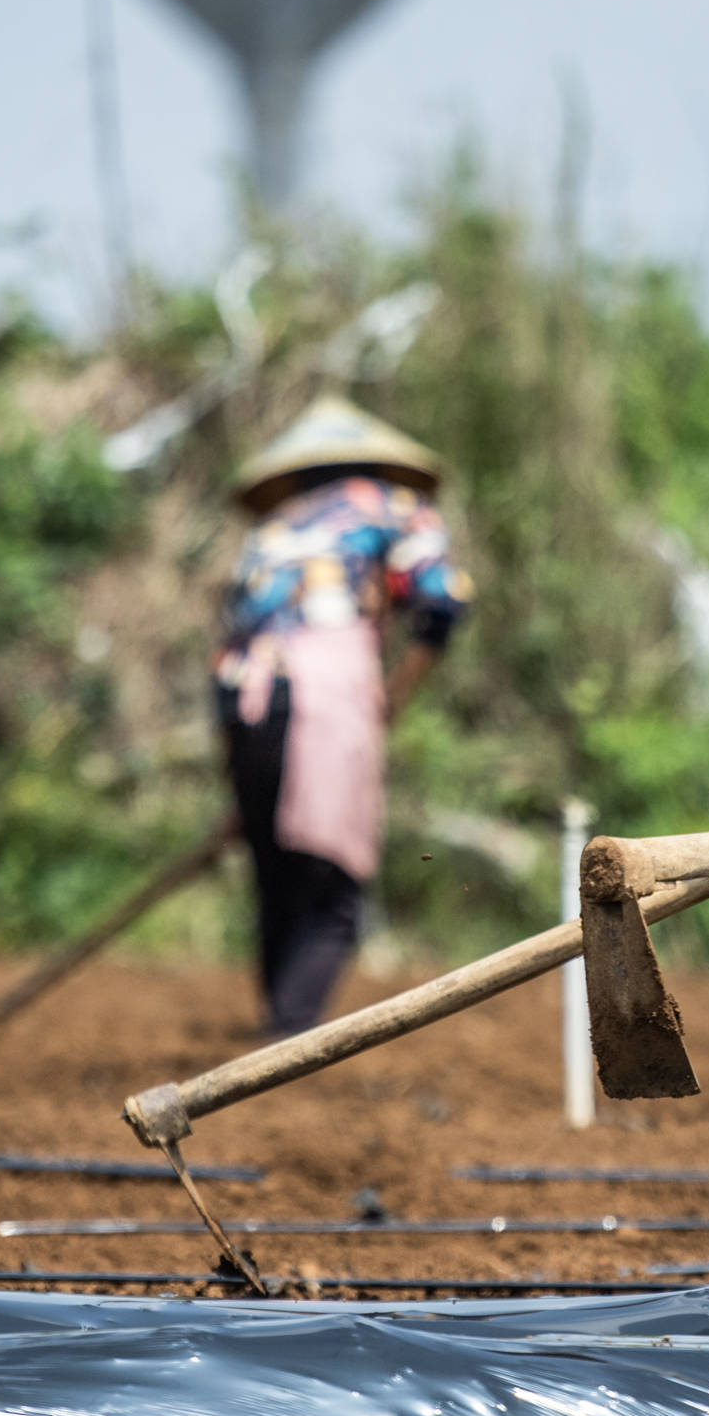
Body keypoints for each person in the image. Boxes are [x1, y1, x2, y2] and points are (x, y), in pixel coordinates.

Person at [215, 397, 472, 1037]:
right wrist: (392, 697)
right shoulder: (393, 506)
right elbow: (443, 602)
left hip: (240, 694)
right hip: (322, 693)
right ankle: (288, 1037)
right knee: (330, 882)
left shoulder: (275, 525)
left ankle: (277, 1021)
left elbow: (240, 626)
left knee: (274, 866)